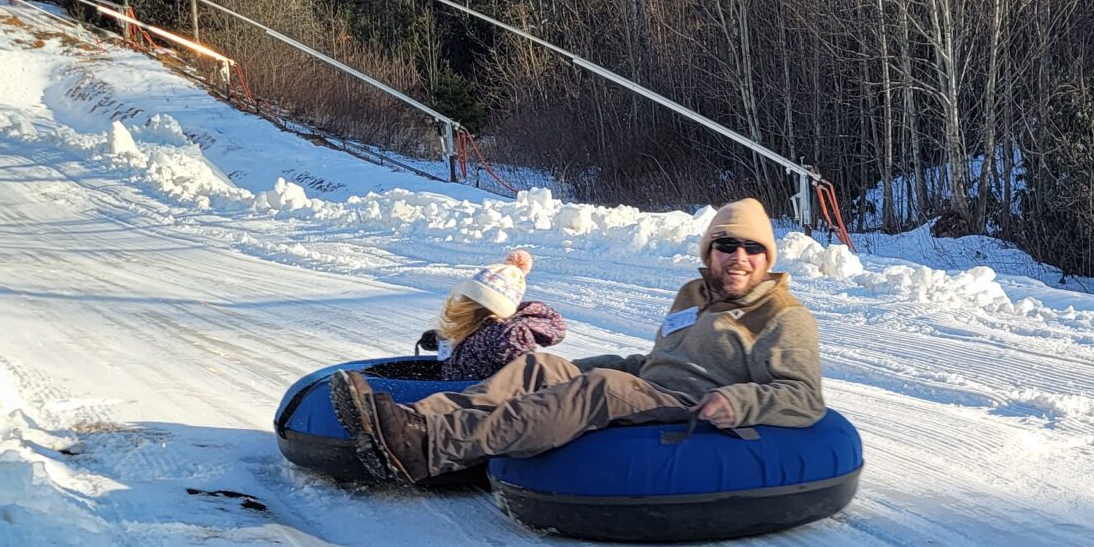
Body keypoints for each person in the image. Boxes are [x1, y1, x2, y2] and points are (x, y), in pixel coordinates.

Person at [331, 197, 822, 486]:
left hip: (695, 411)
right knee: (540, 369)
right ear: (709, 251)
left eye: (753, 248)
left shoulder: (782, 317)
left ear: (768, 257)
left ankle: (431, 448)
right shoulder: (693, 295)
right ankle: (417, 421)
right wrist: (583, 365)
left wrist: (736, 400)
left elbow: (803, 398)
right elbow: (659, 359)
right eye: (727, 245)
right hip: (655, 391)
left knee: (602, 387)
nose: (740, 257)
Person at [420, 249, 566, 382]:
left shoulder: (507, 334)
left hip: (471, 404)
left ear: (474, 303)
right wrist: (441, 340)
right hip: (453, 395)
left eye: (466, 298)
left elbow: (523, 382)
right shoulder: (482, 327)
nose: (460, 300)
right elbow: (472, 349)